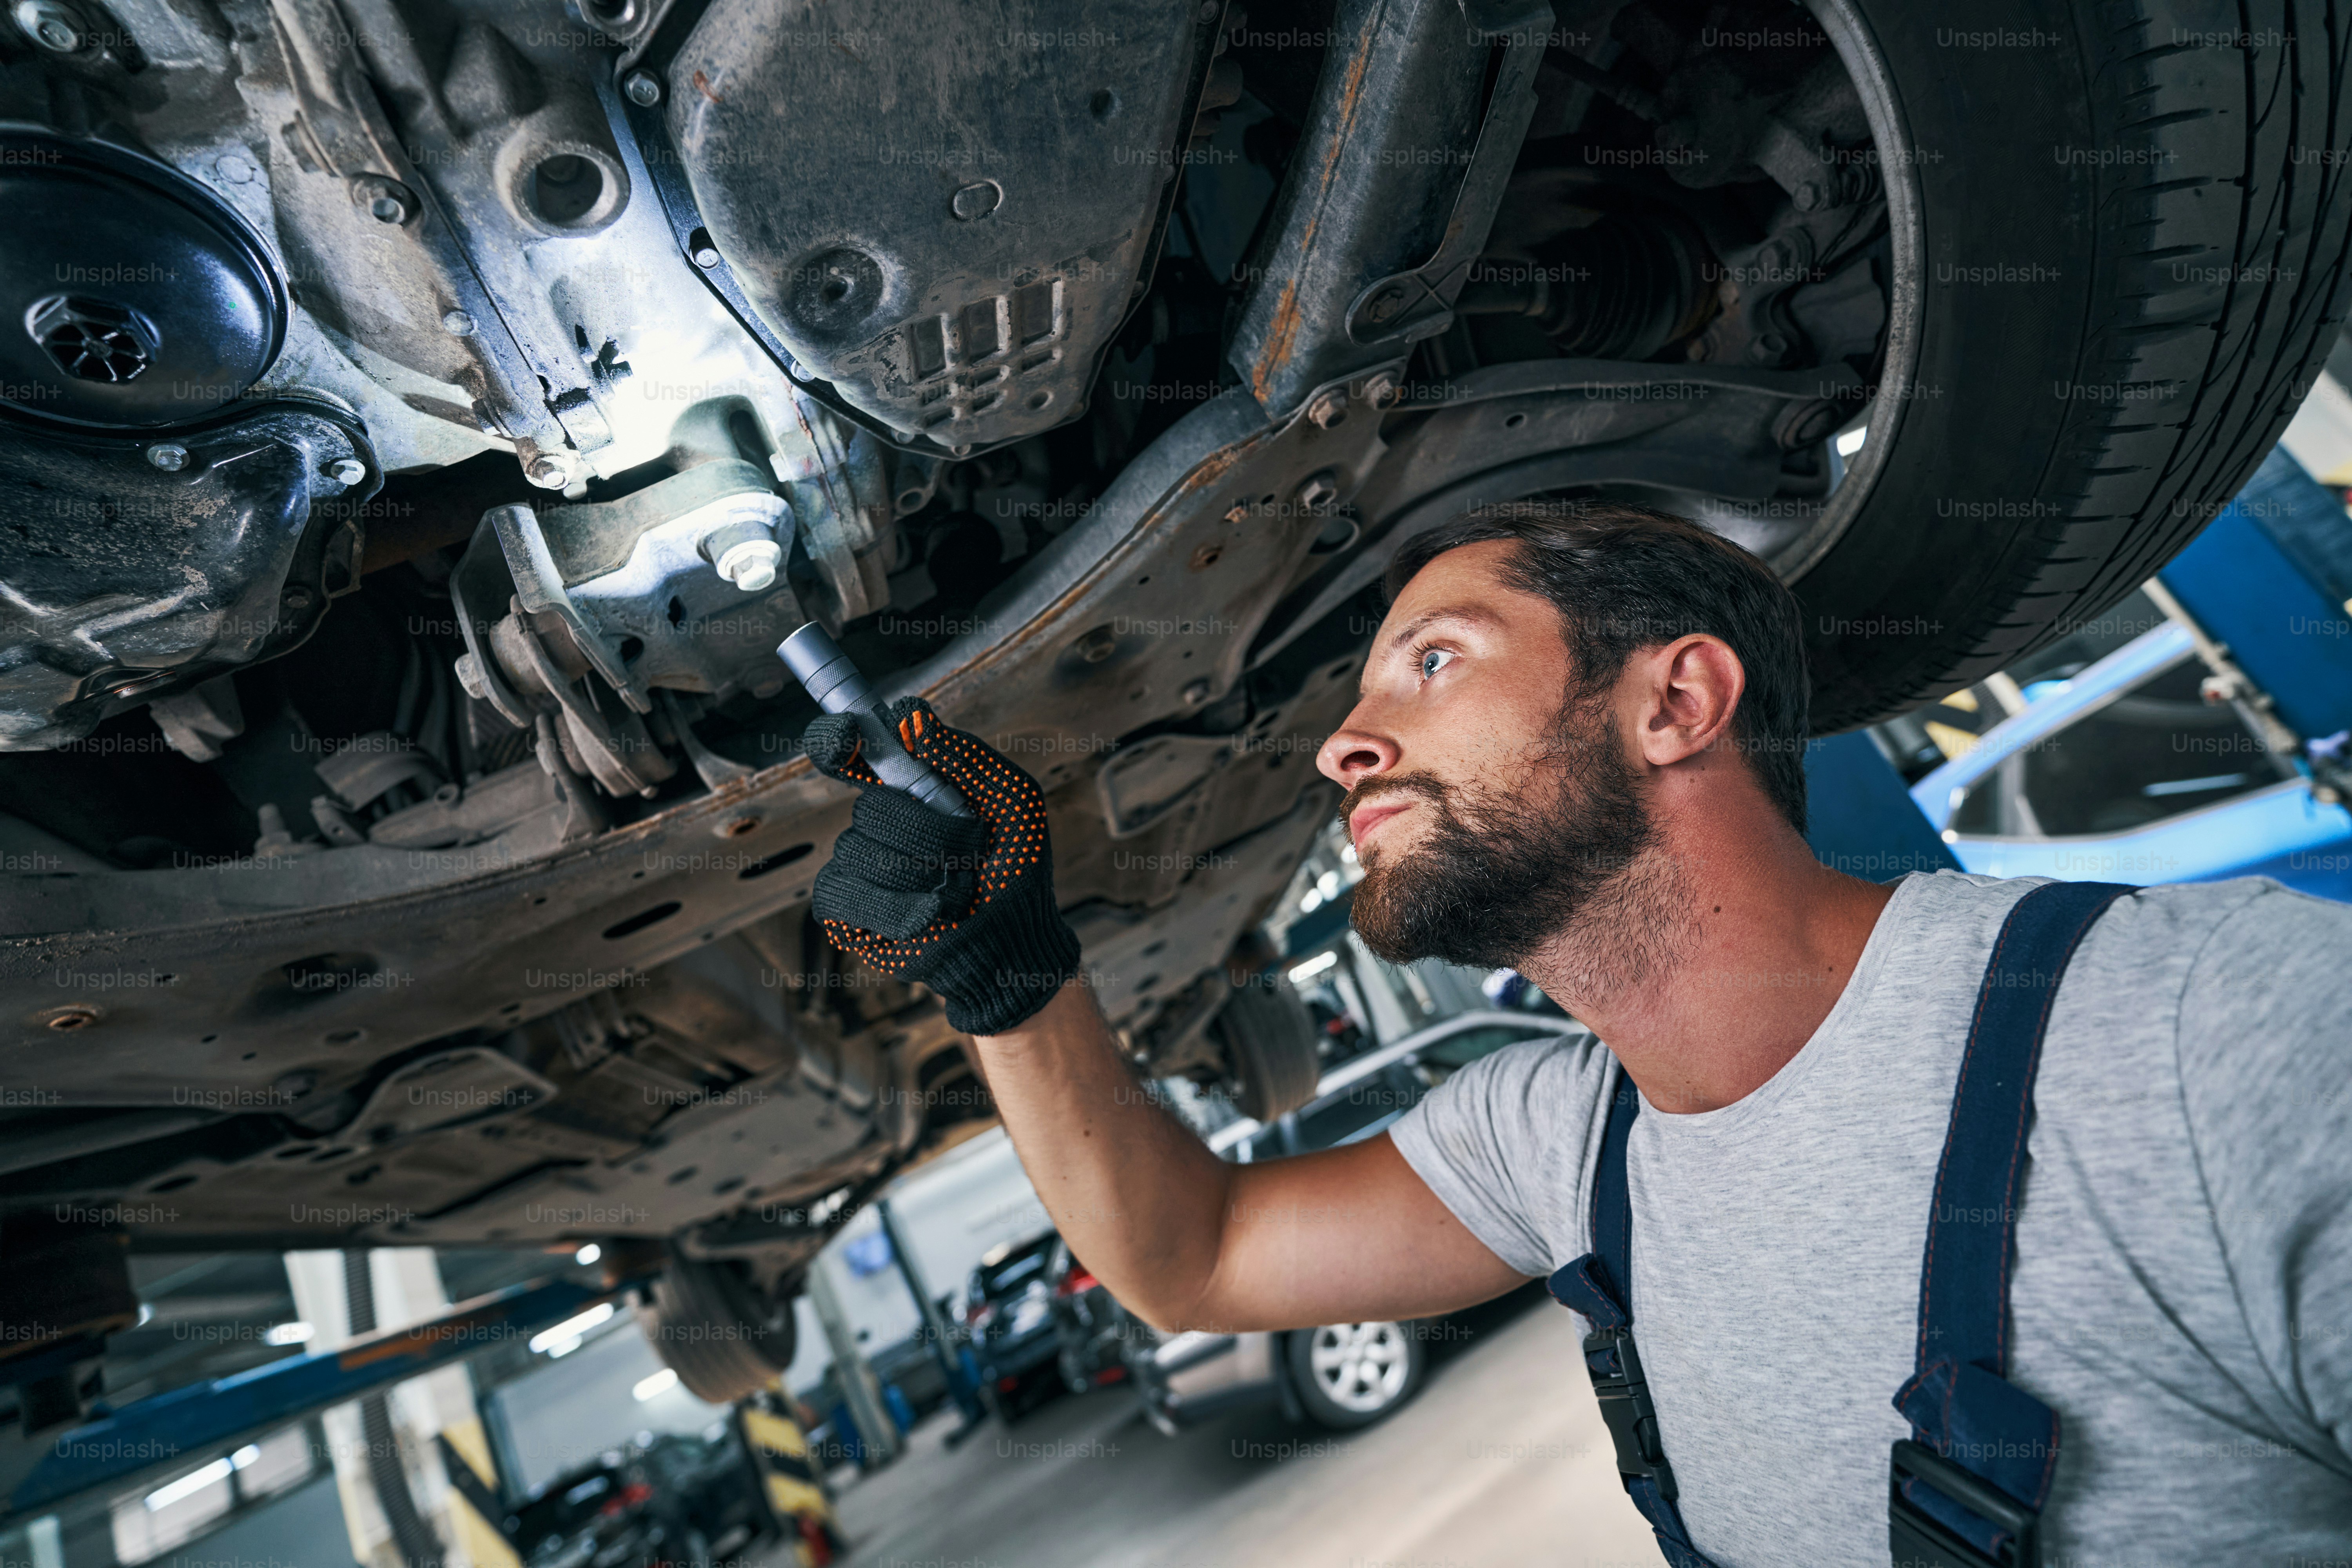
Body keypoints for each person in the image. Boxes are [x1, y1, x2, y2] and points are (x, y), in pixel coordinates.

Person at [795, 500, 2352, 1565]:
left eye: (1434, 659)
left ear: (1675, 702)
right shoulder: (1561, 1141)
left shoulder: (2203, 1035)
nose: (1348, 741)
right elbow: (1186, 1254)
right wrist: (1002, 970)